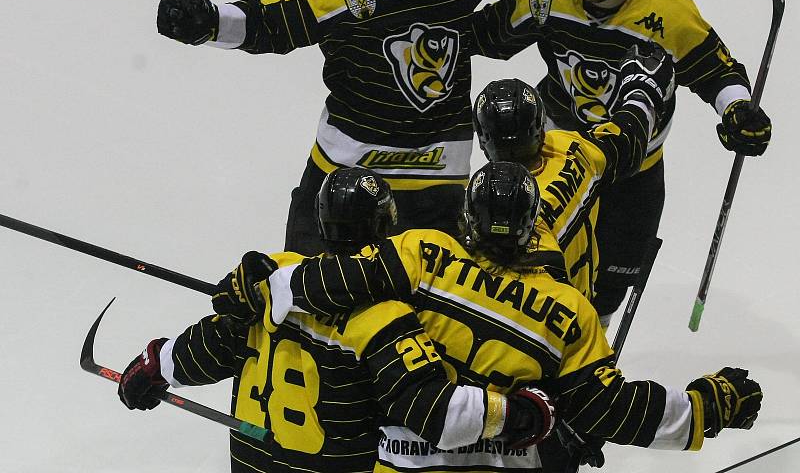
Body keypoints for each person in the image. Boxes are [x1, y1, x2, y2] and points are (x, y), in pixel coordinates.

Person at [226, 161, 762, 473]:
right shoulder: (570, 313)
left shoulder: (422, 253)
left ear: (468, 219)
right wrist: (701, 408)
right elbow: (612, 410)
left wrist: (258, 282)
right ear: (532, 228)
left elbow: (326, 281)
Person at [154, 0, 563, 255]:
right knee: (305, 281)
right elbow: (273, 24)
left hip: (437, 177)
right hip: (348, 172)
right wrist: (207, 21)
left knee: (432, 307)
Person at [117, 167, 554, 473]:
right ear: (386, 226)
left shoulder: (267, 289)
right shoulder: (385, 319)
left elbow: (208, 347)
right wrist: (520, 413)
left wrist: (155, 365)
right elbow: (435, 414)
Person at [466, 0, 772, 326]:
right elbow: (481, 35)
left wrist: (737, 108)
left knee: (609, 284)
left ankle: (590, 364)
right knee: (528, 261)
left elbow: (716, 71)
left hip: (634, 167)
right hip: (556, 160)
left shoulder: (667, 9)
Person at [472, 40, 672, 303]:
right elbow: (628, 140)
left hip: (534, 321)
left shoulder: (485, 200)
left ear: (484, 140)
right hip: (577, 309)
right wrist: (642, 91)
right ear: (540, 128)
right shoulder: (577, 151)